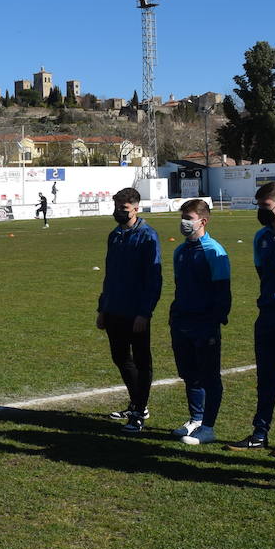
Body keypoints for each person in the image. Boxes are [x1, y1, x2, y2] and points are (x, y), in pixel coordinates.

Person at [227, 182, 275, 455]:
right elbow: (262, 272)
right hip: (267, 316)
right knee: (266, 380)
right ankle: (260, 433)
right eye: (258, 205)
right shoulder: (261, 237)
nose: (261, 210)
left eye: (266, 205)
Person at [97, 187, 162, 433]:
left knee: (142, 361)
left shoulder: (147, 236)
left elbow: (153, 278)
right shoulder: (114, 235)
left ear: (136, 208)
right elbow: (109, 275)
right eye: (116, 207)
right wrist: (102, 308)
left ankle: (138, 410)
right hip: (114, 308)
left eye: (123, 208)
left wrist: (144, 313)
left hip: (136, 312)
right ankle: (137, 404)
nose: (119, 211)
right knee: (120, 358)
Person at [168, 199, 231, 446]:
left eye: (189, 218)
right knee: (189, 374)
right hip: (181, 321)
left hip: (204, 323)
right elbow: (180, 286)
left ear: (203, 221)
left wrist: (214, 320)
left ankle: (208, 427)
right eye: (182, 217)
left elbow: (223, 291)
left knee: (209, 375)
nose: (184, 222)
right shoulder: (180, 251)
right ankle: (196, 418)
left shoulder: (214, 251)